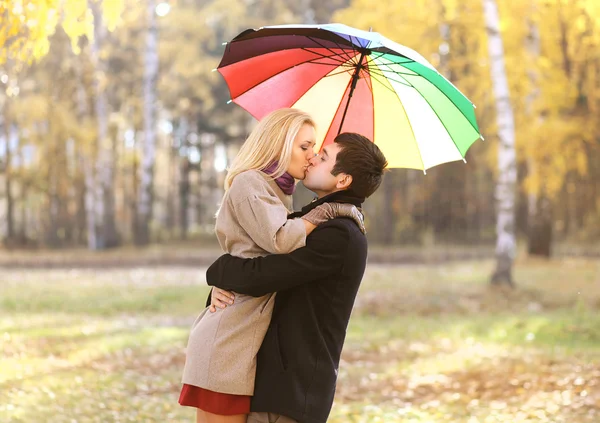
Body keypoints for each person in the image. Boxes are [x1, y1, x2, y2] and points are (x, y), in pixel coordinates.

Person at [179, 109, 364, 423]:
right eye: (304, 147)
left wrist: (224, 274)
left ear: (343, 178)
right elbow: (279, 241)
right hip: (230, 343)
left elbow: (264, 262)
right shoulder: (251, 183)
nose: (312, 156)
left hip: (245, 337)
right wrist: (327, 210)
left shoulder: (279, 192)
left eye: (316, 149)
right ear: (280, 144)